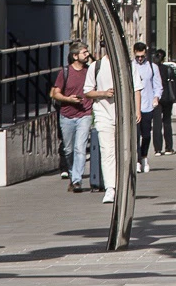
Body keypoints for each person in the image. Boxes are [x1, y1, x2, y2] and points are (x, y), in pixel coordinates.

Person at [50, 42, 97, 192]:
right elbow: (54, 93)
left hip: (84, 114)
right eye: (84, 52)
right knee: (68, 149)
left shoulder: (90, 71)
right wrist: (68, 99)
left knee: (80, 148)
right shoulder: (65, 72)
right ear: (75, 56)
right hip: (67, 115)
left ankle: (77, 180)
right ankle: (72, 173)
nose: (87, 55)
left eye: (87, 52)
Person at [88, 46, 124, 204]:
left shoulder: (126, 65)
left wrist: (137, 111)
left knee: (122, 151)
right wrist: (104, 93)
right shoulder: (96, 66)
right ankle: (111, 188)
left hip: (123, 114)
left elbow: (136, 88)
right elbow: (88, 91)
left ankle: (122, 184)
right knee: (107, 150)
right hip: (103, 113)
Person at [131, 42, 163, 172]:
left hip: (147, 105)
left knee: (146, 135)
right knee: (135, 134)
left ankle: (144, 156)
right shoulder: (130, 66)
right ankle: (137, 160)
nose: (140, 59)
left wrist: (156, 97)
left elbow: (158, 85)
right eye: (137, 56)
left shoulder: (152, 67)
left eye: (142, 56)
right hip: (134, 106)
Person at [154, 48, 176, 155]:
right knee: (167, 122)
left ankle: (158, 149)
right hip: (167, 98)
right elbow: (174, 83)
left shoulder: (153, 69)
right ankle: (169, 147)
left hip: (156, 98)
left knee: (157, 123)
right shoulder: (168, 69)